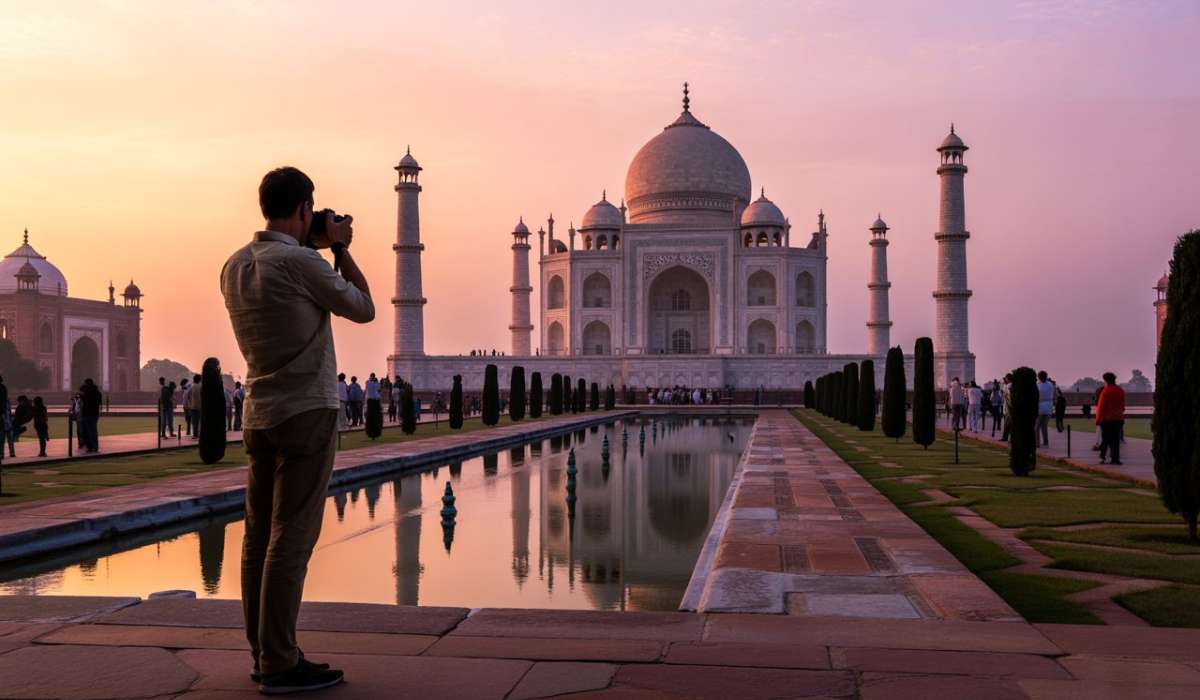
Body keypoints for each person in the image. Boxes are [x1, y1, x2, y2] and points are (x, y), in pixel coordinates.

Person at [221, 166, 373, 693]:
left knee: (257, 536)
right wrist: (340, 248)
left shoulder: (235, 265)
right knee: (291, 538)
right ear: (306, 209)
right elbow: (364, 307)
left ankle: (264, 650)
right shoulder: (302, 261)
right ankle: (281, 662)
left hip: (258, 412)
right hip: (307, 410)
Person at [1095, 372, 1126, 465]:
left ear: (1105, 380)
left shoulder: (1106, 391)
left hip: (1107, 419)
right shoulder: (1120, 390)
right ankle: (1115, 458)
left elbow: (1101, 407)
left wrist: (1098, 419)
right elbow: (1123, 405)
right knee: (1116, 440)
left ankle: (1102, 457)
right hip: (1118, 418)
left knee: (1106, 439)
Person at [79, 378, 102, 453]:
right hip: (94, 414)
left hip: (87, 413)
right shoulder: (97, 393)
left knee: (87, 432)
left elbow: (85, 400)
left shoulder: (87, 393)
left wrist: (83, 395)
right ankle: (94, 447)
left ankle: (90, 447)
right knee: (92, 431)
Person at [1035, 371, 1054, 448]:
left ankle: (1037, 443)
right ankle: (1046, 442)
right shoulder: (1050, 385)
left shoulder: (1037, 385)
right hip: (1049, 407)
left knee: (1036, 427)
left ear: (1039, 377)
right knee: (1044, 426)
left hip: (1040, 407)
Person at [187, 373, 203, 439]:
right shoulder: (201, 387)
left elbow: (188, 397)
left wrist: (190, 403)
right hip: (200, 407)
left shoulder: (191, 387)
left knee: (194, 422)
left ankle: (195, 434)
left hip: (193, 407)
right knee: (200, 421)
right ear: (200, 380)